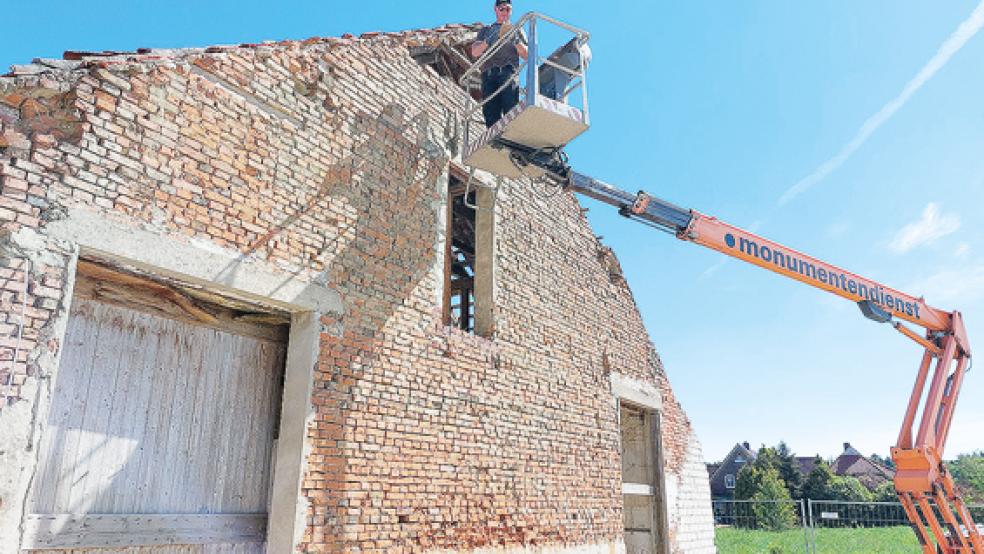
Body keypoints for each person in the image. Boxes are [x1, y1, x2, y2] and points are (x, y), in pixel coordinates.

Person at [471, 0, 528, 127]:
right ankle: (494, 141)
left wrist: (516, 40)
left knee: (510, 107)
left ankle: (511, 137)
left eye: (508, 9)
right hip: (489, 74)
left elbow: (527, 55)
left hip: (509, 72)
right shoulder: (486, 30)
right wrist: (488, 41)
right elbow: (475, 52)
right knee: (490, 111)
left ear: (511, 11)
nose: (505, 12)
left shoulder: (517, 30)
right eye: (502, 9)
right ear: (496, 10)